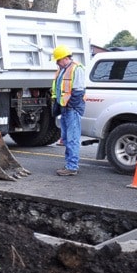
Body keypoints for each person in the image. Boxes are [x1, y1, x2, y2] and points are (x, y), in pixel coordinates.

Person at [50, 45, 86, 176]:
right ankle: (69, 164)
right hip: (65, 108)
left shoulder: (76, 69)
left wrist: (69, 106)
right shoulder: (62, 70)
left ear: (65, 58)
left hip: (71, 109)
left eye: (58, 60)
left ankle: (72, 166)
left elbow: (78, 91)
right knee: (66, 138)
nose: (56, 62)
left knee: (72, 138)